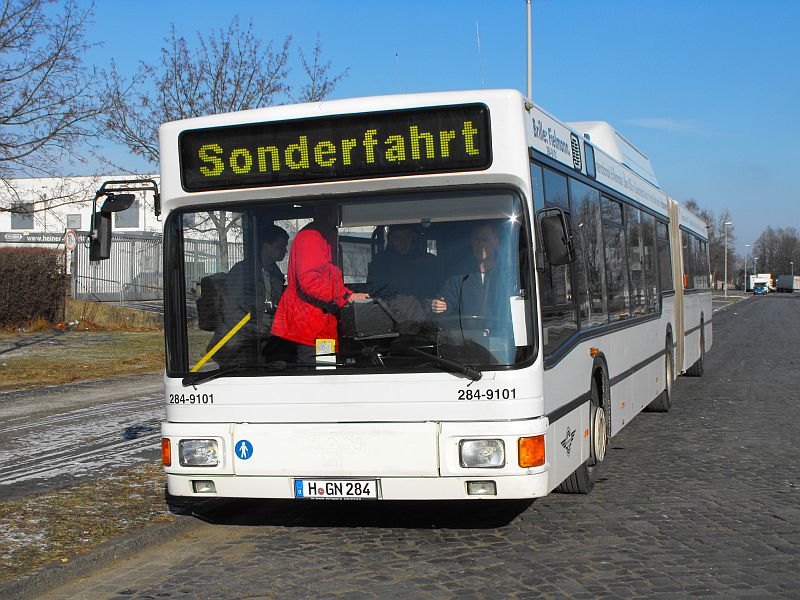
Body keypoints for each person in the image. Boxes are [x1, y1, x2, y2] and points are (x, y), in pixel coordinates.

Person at [272, 205, 369, 364]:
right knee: (320, 371)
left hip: (321, 324)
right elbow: (310, 281)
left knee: (326, 368)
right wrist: (346, 296)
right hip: (313, 328)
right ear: (332, 211)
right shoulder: (311, 237)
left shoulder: (325, 235)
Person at [431, 222, 515, 361]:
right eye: (476, 240)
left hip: (502, 345)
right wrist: (439, 306)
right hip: (469, 346)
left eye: (485, 240)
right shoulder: (459, 275)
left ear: (496, 242)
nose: (480, 244)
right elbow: (445, 301)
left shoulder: (510, 272)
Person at [208, 224, 289, 366]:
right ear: (266, 245)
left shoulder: (275, 275)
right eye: (280, 246)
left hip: (262, 342)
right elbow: (232, 314)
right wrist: (262, 329)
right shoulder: (243, 272)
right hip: (237, 346)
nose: (285, 251)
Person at [366, 224, 441, 301]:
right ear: (391, 239)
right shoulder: (380, 262)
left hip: (420, 307)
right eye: (398, 238)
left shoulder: (428, 261)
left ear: (413, 237)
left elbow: (435, 293)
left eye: (407, 237)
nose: (403, 242)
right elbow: (373, 290)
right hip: (388, 307)